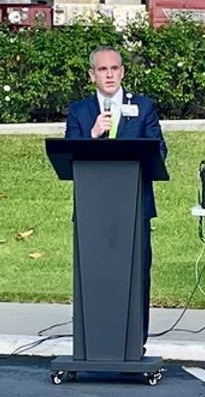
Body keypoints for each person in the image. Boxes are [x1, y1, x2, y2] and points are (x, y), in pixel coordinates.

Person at [64, 46, 166, 338]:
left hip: (134, 207)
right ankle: (94, 339)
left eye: (114, 69)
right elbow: (69, 155)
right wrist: (92, 135)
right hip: (92, 210)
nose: (109, 75)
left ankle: (136, 341)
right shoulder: (80, 112)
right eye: (102, 70)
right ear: (92, 75)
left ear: (122, 72)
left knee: (136, 273)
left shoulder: (144, 107)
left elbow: (159, 150)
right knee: (95, 274)